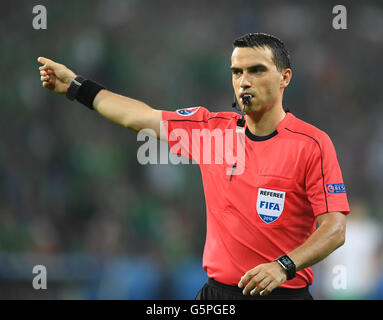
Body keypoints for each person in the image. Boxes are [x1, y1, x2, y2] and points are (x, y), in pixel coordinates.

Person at [37, 33, 350, 300]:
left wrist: (282, 266)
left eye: (256, 70)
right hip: (216, 294)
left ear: (285, 78)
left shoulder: (312, 144)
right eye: (237, 72)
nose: (244, 81)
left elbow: (334, 230)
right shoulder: (211, 132)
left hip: (284, 291)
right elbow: (140, 117)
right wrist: (76, 87)